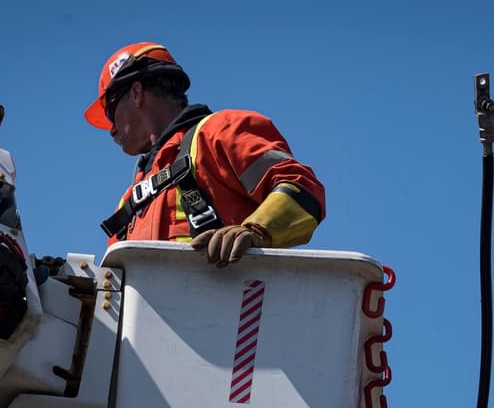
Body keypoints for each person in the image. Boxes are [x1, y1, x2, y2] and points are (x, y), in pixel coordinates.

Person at [85, 42, 325, 267]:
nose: (112, 130)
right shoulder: (129, 203)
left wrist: (255, 231)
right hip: (155, 311)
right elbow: (116, 285)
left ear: (136, 92)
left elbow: (302, 190)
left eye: (110, 112)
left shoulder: (218, 133)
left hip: (231, 305)